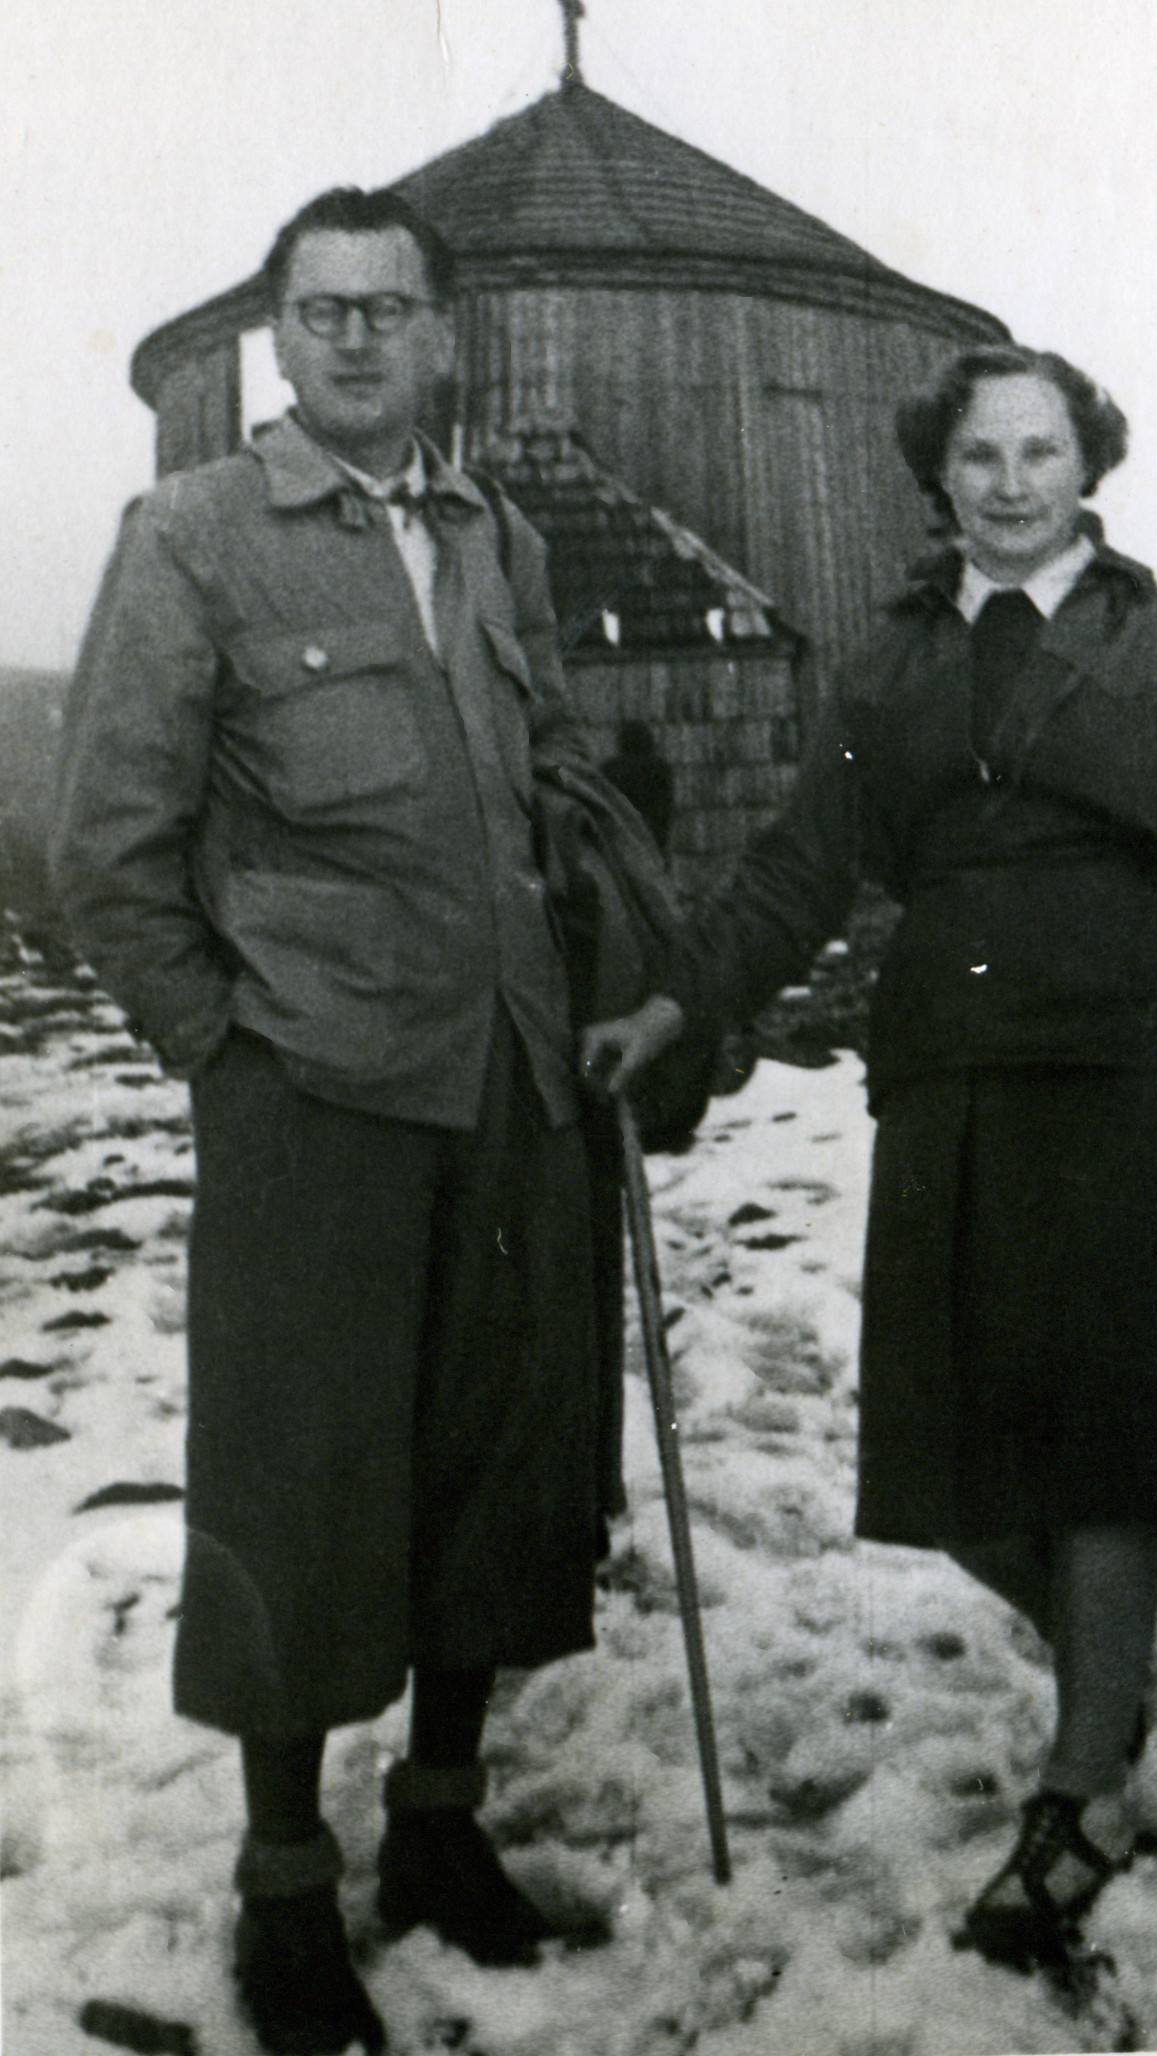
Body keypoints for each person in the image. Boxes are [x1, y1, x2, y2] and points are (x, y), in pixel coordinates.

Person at [584, 342, 1157, 1973]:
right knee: (954, 1462)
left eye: (1038, 453)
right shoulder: (887, 664)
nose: (1009, 485)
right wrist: (677, 1002)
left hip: (1127, 1084)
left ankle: (1082, 1790)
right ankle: (1107, 1675)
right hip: (948, 1087)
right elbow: (797, 868)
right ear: (939, 476)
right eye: (979, 457)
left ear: (1089, 468)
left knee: (1100, 1447)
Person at [51, 186, 675, 2054]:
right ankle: (281, 1890)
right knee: (299, 1488)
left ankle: (437, 1829)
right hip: (312, 1097)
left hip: (507, 1075)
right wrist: (221, 1049)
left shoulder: (493, 538)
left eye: (384, 309)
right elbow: (108, 846)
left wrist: (593, 906)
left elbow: (543, 769)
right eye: (318, 310)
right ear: (279, 333)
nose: (350, 340)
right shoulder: (193, 537)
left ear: (439, 334)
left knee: (495, 1462)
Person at [601, 718, 675, 856]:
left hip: (620, 836)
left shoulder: (609, 769)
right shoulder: (660, 769)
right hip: (650, 834)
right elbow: (665, 809)